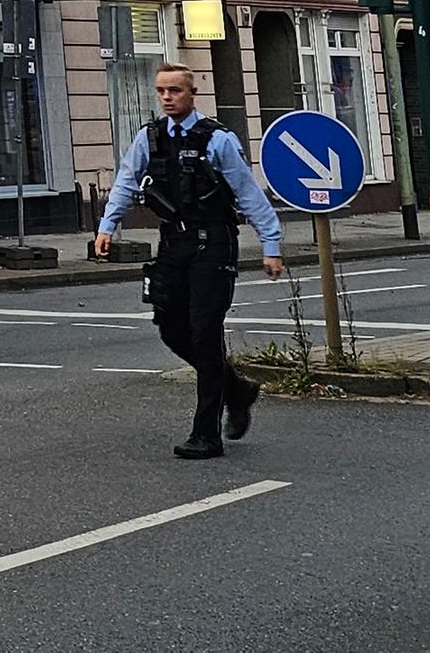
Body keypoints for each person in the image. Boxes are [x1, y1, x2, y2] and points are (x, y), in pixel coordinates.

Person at [93, 63, 286, 460]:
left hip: (213, 242)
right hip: (173, 243)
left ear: (191, 93)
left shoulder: (217, 140)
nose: (167, 98)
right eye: (162, 91)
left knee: (204, 332)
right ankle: (237, 389)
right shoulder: (149, 138)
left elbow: (248, 193)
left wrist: (271, 244)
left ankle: (206, 434)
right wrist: (107, 226)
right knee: (170, 328)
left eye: (175, 91)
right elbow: (127, 182)